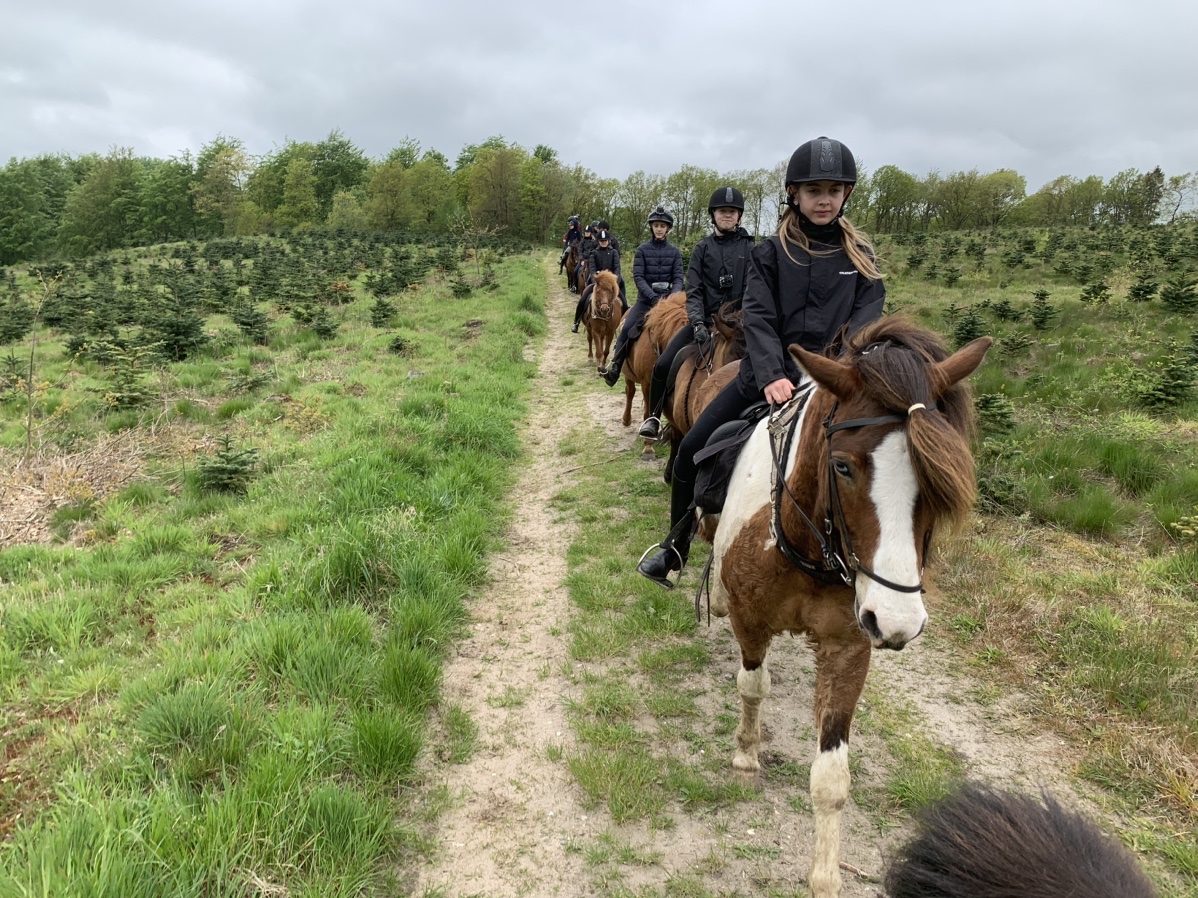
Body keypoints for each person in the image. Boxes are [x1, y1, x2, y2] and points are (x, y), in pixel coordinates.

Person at [636, 137, 885, 588]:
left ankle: (881, 561)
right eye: (814, 190)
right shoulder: (769, 254)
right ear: (795, 194)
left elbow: (865, 327)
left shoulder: (861, 260)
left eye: (833, 190)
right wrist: (772, 375)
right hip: (765, 378)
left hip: (835, 385)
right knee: (690, 451)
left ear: (846, 193)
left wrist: (840, 375)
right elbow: (760, 318)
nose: (824, 199)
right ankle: (674, 548)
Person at [638, 186, 755, 441]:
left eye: (732, 212)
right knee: (663, 364)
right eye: (723, 211)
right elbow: (694, 290)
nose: (727, 216)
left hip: (741, 326)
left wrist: (744, 320)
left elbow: (754, 288)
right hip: (705, 321)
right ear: (713, 215)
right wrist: (698, 322)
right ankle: (655, 416)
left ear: (739, 216)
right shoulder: (702, 248)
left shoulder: (750, 248)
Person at [601, 206, 683, 386]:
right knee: (627, 328)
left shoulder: (675, 252)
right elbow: (639, 277)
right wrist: (653, 297)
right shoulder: (642, 250)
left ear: (668, 228)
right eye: (656, 225)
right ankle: (615, 367)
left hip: (670, 303)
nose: (659, 229)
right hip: (646, 301)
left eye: (663, 226)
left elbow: (678, 278)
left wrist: (673, 297)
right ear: (652, 227)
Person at [572, 229, 623, 332]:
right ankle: (576, 322)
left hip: (611, 283)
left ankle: (623, 322)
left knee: (624, 301)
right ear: (598, 241)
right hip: (597, 282)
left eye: (605, 241)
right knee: (583, 299)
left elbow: (617, 267)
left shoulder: (614, 253)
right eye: (601, 241)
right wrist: (596, 279)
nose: (603, 242)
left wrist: (615, 279)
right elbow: (592, 269)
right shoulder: (594, 253)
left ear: (608, 241)